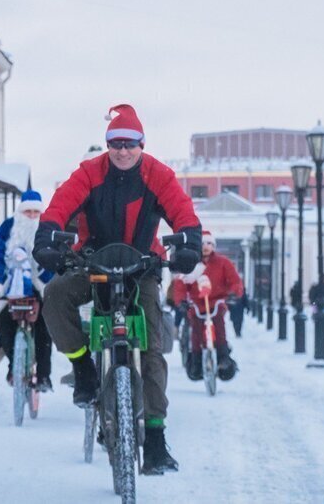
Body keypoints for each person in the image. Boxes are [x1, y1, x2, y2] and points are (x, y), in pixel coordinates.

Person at [33, 103, 202, 475]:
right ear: (107, 144)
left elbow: (183, 211)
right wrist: (46, 238)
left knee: (151, 347)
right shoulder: (89, 172)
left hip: (142, 266)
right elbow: (59, 206)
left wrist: (189, 243)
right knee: (56, 295)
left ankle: (155, 439)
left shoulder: (158, 174)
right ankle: (83, 368)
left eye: (130, 143)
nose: (123, 151)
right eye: (115, 143)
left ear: (142, 144)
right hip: (92, 263)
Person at [0, 190, 54, 391]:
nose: (31, 216)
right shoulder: (8, 227)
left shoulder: (47, 228)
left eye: (36, 212)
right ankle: (15, 364)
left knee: (44, 324)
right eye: (28, 212)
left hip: (40, 285)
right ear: (20, 212)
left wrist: (50, 284)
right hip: (10, 285)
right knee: (5, 321)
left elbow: (55, 259)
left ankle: (44, 375)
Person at [174, 231, 243, 381]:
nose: (205, 247)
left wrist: (233, 293)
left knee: (219, 325)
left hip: (217, 302)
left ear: (213, 246)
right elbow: (180, 284)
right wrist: (181, 301)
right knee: (196, 330)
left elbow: (234, 280)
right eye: (203, 243)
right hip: (197, 303)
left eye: (209, 243)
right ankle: (196, 360)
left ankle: (223, 356)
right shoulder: (192, 264)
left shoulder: (223, 262)